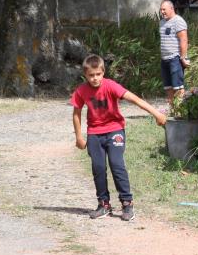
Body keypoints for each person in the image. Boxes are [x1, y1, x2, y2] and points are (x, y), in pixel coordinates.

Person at [71, 55, 166, 222]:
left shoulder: (111, 86)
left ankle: (127, 204)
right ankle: (103, 204)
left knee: (117, 164)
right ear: (85, 75)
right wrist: (79, 136)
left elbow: (135, 99)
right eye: (91, 75)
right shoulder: (82, 91)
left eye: (98, 74)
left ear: (103, 72)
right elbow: (76, 113)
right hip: (94, 133)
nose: (95, 78)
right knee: (98, 168)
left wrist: (157, 113)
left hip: (115, 130)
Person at [159, 0, 190, 104]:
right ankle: (172, 111)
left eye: (164, 9)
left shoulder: (178, 21)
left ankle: (181, 110)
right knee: (168, 87)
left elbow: (184, 40)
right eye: (161, 10)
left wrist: (183, 58)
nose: (162, 12)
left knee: (178, 87)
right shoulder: (162, 22)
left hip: (175, 58)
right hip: (164, 59)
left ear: (171, 9)